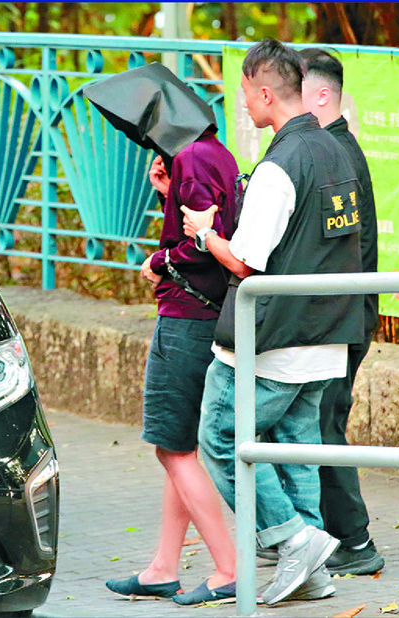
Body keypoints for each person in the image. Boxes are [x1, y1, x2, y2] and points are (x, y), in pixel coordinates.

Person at [180, 38, 365, 606]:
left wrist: (205, 234)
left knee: (219, 436)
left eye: (244, 94)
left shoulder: (278, 166)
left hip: (273, 342)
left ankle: (293, 538)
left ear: (264, 91)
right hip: (328, 335)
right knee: (294, 444)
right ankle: (313, 572)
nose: (244, 106)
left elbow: (245, 260)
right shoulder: (338, 149)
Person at [104, 130, 241, 605]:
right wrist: (168, 191)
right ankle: (163, 567)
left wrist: (160, 259)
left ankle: (229, 568)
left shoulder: (191, 157)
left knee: (172, 450)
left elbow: (200, 244)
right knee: (179, 448)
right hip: (206, 317)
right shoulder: (214, 154)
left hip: (186, 318)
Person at [298, 47, 384, 576]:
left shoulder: (336, 155)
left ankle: (355, 542)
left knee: (324, 422)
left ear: (322, 95)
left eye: (296, 89)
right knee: (314, 422)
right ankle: (317, 535)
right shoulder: (331, 149)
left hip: (342, 317)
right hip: (341, 314)